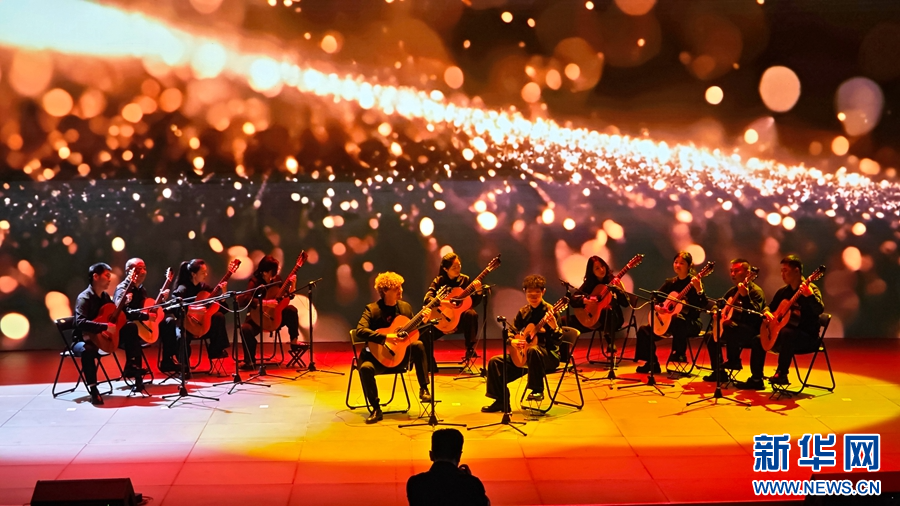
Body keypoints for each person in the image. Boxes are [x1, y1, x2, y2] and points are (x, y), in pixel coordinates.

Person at [482, 274, 578, 412]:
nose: (533, 297)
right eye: (530, 293)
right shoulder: (524, 312)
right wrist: (513, 341)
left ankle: (537, 390)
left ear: (543, 292)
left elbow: (558, 342)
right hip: (528, 356)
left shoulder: (551, 312)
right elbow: (511, 331)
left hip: (548, 356)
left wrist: (554, 327)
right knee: (495, 362)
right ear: (524, 291)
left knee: (534, 350)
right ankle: (501, 400)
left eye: (537, 293)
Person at [355, 271, 432, 424]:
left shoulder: (405, 308)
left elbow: (413, 335)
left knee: (418, 345)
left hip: (400, 357)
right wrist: (386, 337)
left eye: (400, 287)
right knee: (365, 368)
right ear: (384, 291)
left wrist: (424, 322)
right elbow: (360, 331)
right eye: (396, 288)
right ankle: (376, 409)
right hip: (378, 358)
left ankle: (424, 388)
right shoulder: (372, 309)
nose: (400, 290)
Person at [746, 255, 824, 388]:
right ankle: (756, 379)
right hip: (784, 337)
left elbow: (819, 310)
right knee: (758, 340)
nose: (782, 274)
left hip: (807, 337)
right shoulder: (783, 292)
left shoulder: (811, 289)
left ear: (797, 270)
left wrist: (810, 296)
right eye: (781, 271)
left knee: (787, 333)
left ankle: (782, 374)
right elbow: (769, 307)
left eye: (785, 270)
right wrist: (766, 312)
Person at [74, 263, 142, 405]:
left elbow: (112, 313)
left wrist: (123, 303)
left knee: (130, 327)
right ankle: (94, 390)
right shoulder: (84, 298)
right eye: (106, 276)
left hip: (103, 338)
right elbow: (80, 323)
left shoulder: (105, 296)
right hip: (83, 340)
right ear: (95, 276)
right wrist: (104, 326)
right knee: (87, 351)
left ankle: (132, 367)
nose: (110, 279)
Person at [634, 251, 708, 374]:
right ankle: (651, 363)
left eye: (681, 263)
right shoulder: (671, 283)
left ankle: (679, 353)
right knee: (643, 331)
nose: (677, 265)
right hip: (670, 323)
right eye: (676, 262)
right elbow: (655, 298)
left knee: (678, 319)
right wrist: (658, 307)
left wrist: (699, 289)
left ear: (689, 266)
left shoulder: (694, 283)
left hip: (690, 322)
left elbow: (703, 304)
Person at [158, 259, 230, 375]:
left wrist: (223, 295)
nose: (206, 275)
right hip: (187, 326)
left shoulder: (204, 288)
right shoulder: (182, 288)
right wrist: (193, 309)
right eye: (203, 272)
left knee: (219, 316)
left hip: (202, 325)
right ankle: (184, 367)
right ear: (193, 274)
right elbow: (176, 309)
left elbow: (221, 308)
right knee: (182, 337)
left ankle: (215, 350)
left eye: (206, 272)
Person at [702, 258, 766, 384]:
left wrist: (745, 296)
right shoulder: (732, 291)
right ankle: (719, 371)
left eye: (736, 271)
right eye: (731, 271)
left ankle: (734, 360)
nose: (732, 274)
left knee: (729, 325)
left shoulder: (756, 292)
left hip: (750, 331)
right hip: (733, 330)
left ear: (748, 273)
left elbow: (755, 315)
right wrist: (715, 311)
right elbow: (719, 304)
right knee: (710, 336)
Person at [237, 255, 300, 370]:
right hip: (257, 318)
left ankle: (294, 342)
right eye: (273, 271)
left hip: (274, 317)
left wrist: (293, 285)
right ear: (265, 272)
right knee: (245, 329)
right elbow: (246, 299)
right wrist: (266, 303)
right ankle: (249, 361)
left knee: (291, 310)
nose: (276, 273)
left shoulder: (277, 280)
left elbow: (287, 297)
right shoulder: (255, 282)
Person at [423, 252, 483, 368]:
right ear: (445, 269)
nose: (457, 269)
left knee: (471, 314)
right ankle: (430, 362)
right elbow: (427, 299)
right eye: (454, 267)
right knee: (424, 331)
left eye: (459, 266)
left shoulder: (465, 280)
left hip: (459, 321)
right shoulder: (438, 281)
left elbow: (472, 302)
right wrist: (445, 303)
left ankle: (470, 349)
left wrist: (479, 291)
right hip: (441, 321)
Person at [561, 255, 629, 352]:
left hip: (613, 320)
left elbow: (626, 304)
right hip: (592, 320)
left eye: (602, 266)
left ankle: (610, 341)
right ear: (592, 271)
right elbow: (573, 299)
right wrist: (585, 301)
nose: (601, 270)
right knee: (564, 321)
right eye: (597, 268)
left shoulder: (614, 282)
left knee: (606, 310)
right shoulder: (590, 283)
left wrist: (619, 290)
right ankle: (564, 354)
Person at [112, 258, 160, 392]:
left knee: (167, 322)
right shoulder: (122, 289)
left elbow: (144, 309)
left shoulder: (141, 289)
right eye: (139, 269)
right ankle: (134, 372)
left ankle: (169, 361)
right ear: (129, 271)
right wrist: (144, 316)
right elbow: (122, 313)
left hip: (137, 329)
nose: (143, 272)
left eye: (144, 268)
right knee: (131, 329)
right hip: (124, 333)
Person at [407, 428, 490, 506]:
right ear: (459, 456)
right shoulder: (472, 484)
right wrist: (468, 478)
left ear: (431, 455)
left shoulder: (415, 483)